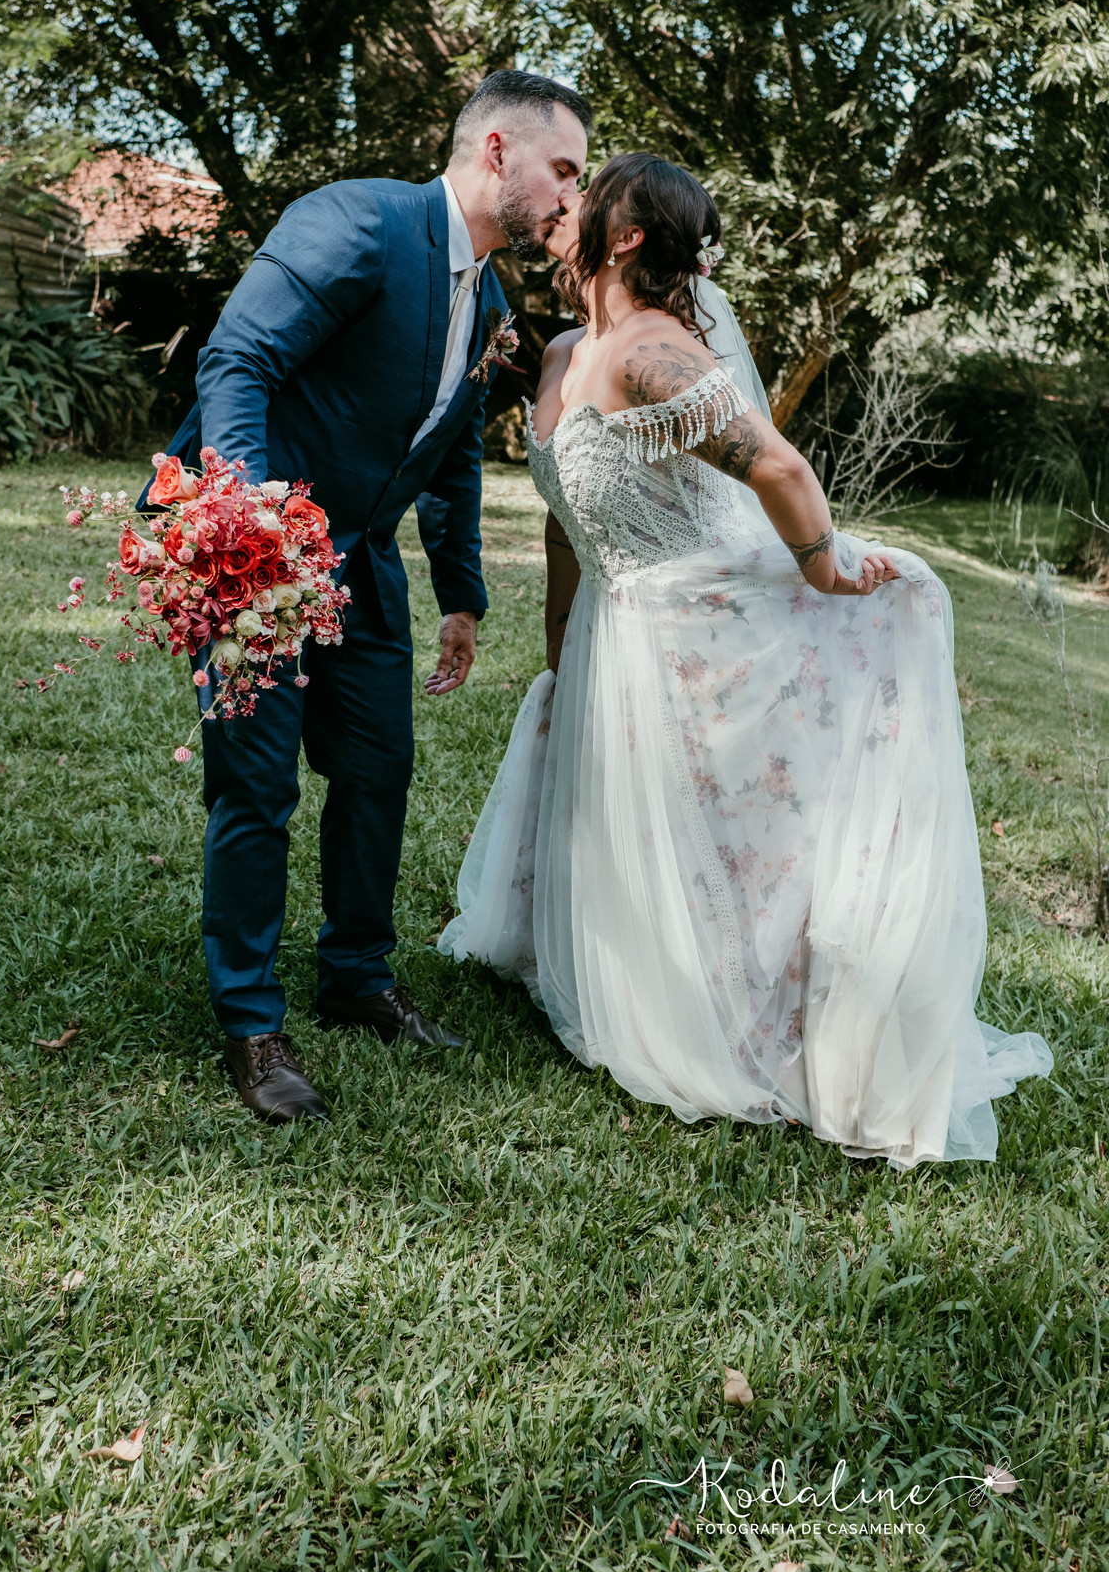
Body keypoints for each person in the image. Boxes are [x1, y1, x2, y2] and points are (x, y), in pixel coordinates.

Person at [440, 153, 1053, 1169]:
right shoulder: (560, 357)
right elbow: (565, 516)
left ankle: (766, 1018)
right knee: (646, 833)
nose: (565, 201)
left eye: (586, 191)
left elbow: (778, 463)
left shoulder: (652, 352)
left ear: (627, 234)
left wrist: (821, 568)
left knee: (736, 838)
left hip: (698, 625)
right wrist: (561, 639)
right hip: (613, 624)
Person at [152, 70, 591, 1124]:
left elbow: (447, 457)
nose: (573, 198)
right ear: (496, 149)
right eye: (563, 170)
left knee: (379, 772)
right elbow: (239, 359)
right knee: (257, 788)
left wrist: (462, 592)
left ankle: (356, 976)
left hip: (363, 565)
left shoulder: (486, 296)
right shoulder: (356, 220)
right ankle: (252, 1023)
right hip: (253, 545)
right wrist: (254, 526)